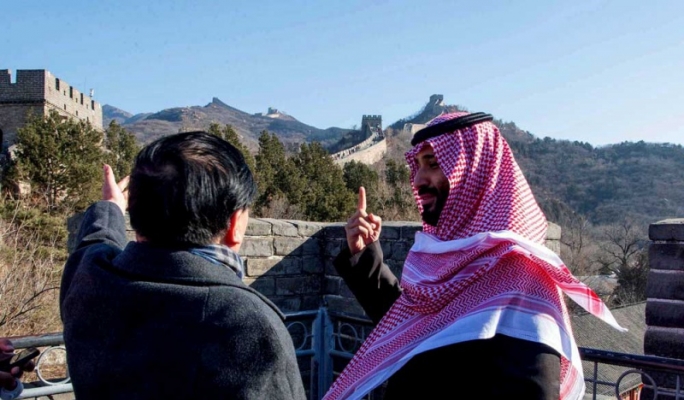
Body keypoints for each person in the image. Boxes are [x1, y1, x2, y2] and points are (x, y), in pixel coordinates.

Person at [324, 112, 625, 400]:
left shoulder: (520, 277)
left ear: (474, 172)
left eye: (433, 164)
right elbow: (412, 327)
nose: (418, 180)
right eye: (417, 165)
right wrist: (364, 255)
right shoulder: (450, 254)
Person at [60, 132, 306, 400]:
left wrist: (110, 208)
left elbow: (95, 241)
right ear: (235, 224)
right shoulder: (247, 322)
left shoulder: (90, 280)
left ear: (137, 211)